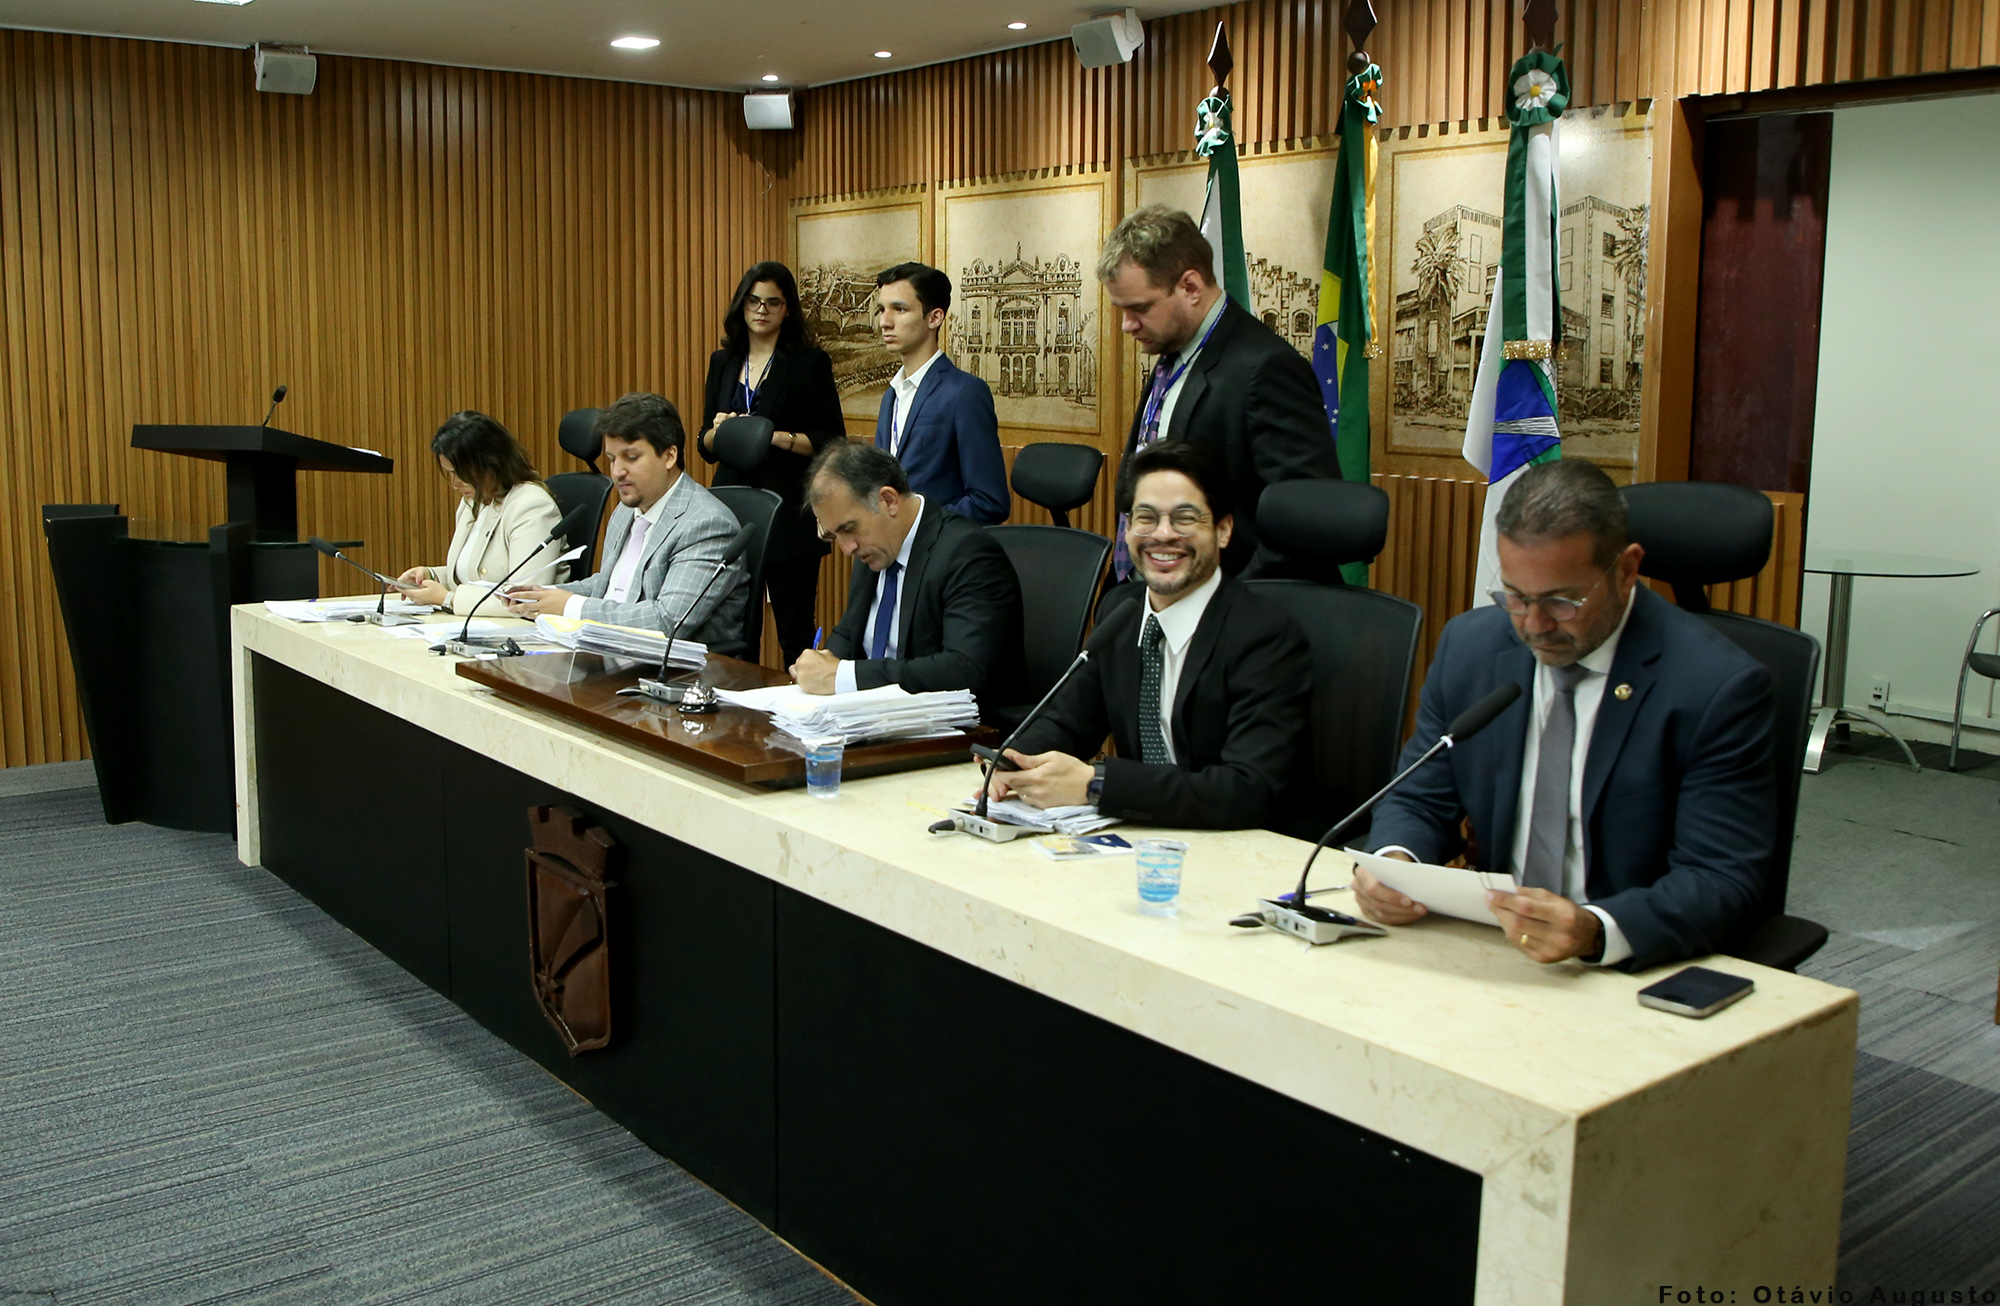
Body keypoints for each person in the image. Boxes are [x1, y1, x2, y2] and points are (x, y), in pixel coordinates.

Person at [1355, 459, 1778, 971]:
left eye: (1562, 601)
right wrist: (1395, 863)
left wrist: (1595, 930)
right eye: (1515, 597)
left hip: (1628, 963)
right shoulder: (1471, 649)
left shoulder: (1715, 687)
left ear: (1626, 570)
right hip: (1496, 943)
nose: (1534, 626)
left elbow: (1721, 878)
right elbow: (1418, 796)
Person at [988, 440, 1313, 831]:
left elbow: (1247, 790)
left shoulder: (1266, 636)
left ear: (1223, 530)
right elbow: (1069, 721)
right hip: (1142, 839)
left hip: (1238, 844)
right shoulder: (1122, 612)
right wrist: (1016, 756)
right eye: (1146, 518)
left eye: (1185, 519)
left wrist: (1098, 785)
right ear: (1127, 528)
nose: (1163, 535)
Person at [1098, 205, 1340, 578]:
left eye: (1139, 308)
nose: (1127, 325)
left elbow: (1305, 519)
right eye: (1121, 310)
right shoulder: (1174, 354)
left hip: (1231, 601)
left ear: (1190, 288)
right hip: (1156, 593)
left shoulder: (1267, 369)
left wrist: (1231, 603)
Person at [503, 392, 749, 656]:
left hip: (675, 671)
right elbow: (609, 586)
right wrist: (541, 595)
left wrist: (570, 606)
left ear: (669, 456)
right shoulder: (625, 511)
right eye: (612, 459)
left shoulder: (706, 524)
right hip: (612, 656)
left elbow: (665, 623)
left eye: (631, 457)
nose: (617, 471)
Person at [791, 439, 1023, 705]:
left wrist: (844, 675)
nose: (846, 548)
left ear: (888, 500)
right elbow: (850, 633)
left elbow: (964, 669)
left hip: (954, 723)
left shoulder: (968, 553)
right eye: (834, 535)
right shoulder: (874, 545)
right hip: (874, 717)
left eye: (849, 529)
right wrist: (822, 664)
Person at [696, 260, 847, 667]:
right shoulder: (723, 361)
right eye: (753, 301)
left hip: (788, 511)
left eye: (772, 303)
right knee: (734, 631)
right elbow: (704, 443)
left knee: (794, 632)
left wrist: (773, 436)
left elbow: (831, 439)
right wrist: (723, 432)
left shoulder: (809, 363)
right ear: (741, 305)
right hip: (731, 510)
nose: (761, 310)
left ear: (787, 309)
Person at [872, 262, 1010, 526]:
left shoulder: (965, 393)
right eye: (882, 309)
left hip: (938, 546)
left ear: (934, 318)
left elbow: (989, 501)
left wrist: (918, 525)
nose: (884, 322)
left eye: (899, 309)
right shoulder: (891, 395)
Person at [394, 411, 568, 615]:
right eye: (449, 473)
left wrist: (447, 599)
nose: (454, 483)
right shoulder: (473, 501)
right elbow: (475, 575)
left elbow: (525, 598)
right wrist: (431, 576)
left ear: (491, 463)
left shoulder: (532, 505)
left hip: (521, 627)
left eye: (460, 473)